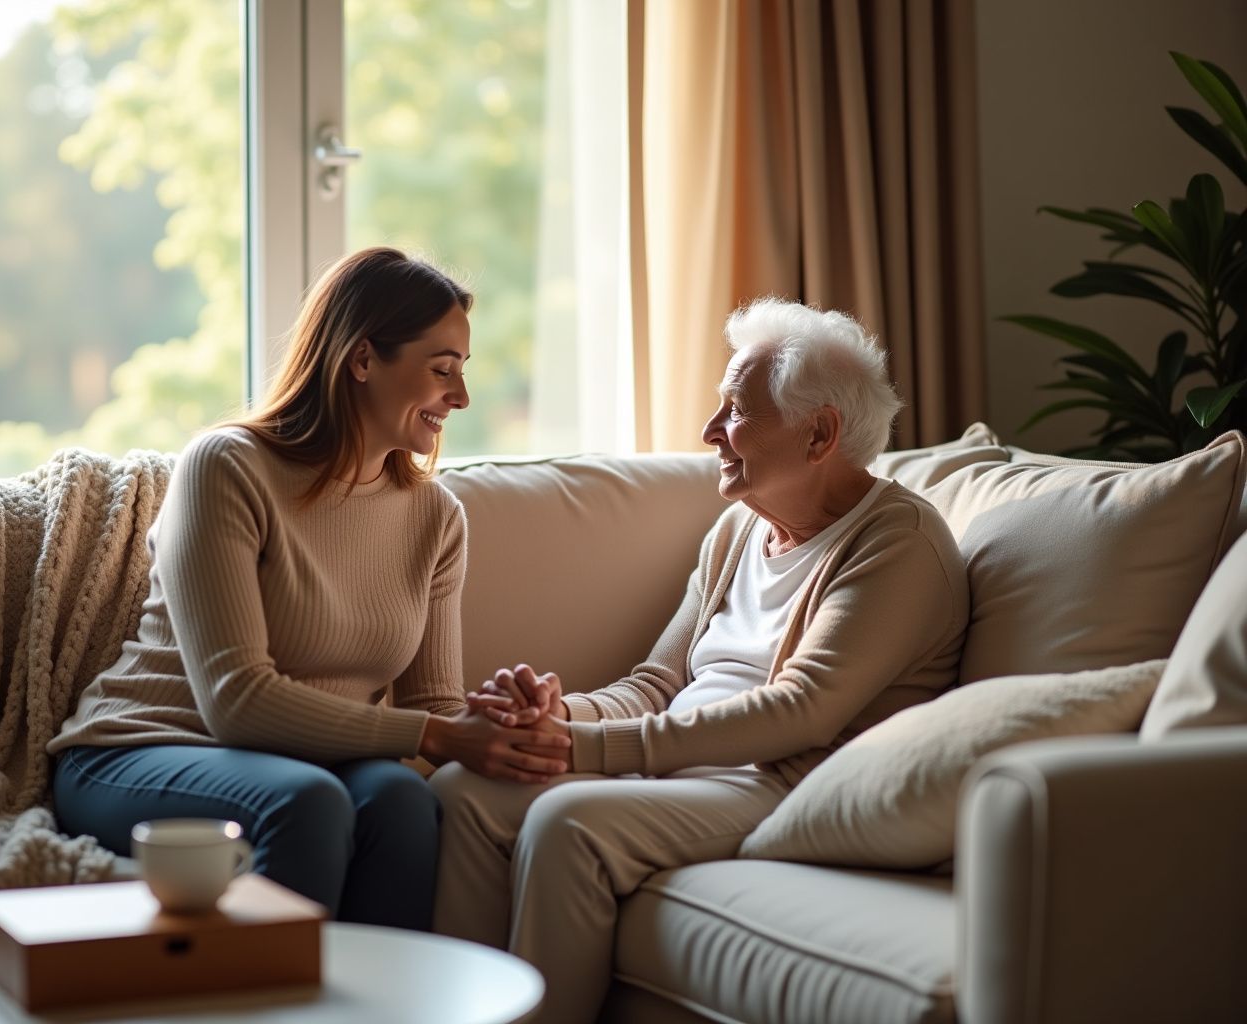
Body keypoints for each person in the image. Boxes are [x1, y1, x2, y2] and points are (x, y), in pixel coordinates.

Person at [431, 297, 970, 1020]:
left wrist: (582, 750)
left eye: (737, 413)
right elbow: (657, 683)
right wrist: (554, 716)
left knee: (572, 824)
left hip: (785, 781)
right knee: (464, 791)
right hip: (691, 765)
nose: (711, 431)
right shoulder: (737, 529)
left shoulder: (897, 543)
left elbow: (804, 713)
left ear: (820, 434)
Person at [49, 247, 569, 931]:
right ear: (361, 360)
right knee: (311, 803)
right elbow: (236, 702)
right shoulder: (229, 468)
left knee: (402, 803)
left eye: (462, 373)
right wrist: (444, 735)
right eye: (442, 370)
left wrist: (498, 721)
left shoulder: (435, 516)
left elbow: (432, 708)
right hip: (142, 750)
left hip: (309, 768)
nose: (462, 397)